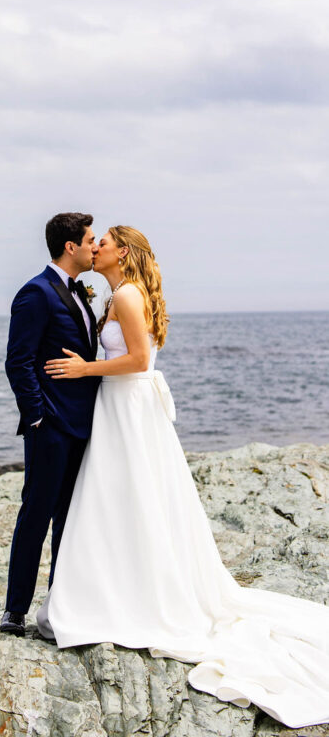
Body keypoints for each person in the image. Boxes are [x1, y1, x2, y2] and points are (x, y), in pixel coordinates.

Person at [35, 225, 329, 729]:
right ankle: (118, 585)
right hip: (124, 409)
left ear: (122, 252)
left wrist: (85, 370)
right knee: (125, 498)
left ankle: (133, 594)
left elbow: (139, 360)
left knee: (127, 496)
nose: (95, 246)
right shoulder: (121, 292)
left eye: (103, 240)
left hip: (128, 406)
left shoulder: (126, 294)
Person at [0, 212, 99, 637]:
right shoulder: (36, 293)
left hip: (86, 426)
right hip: (52, 426)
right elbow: (17, 361)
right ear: (70, 246)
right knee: (36, 514)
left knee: (70, 519)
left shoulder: (80, 292)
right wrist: (37, 416)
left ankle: (58, 605)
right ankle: (15, 611)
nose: (96, 247)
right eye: (91, 240)